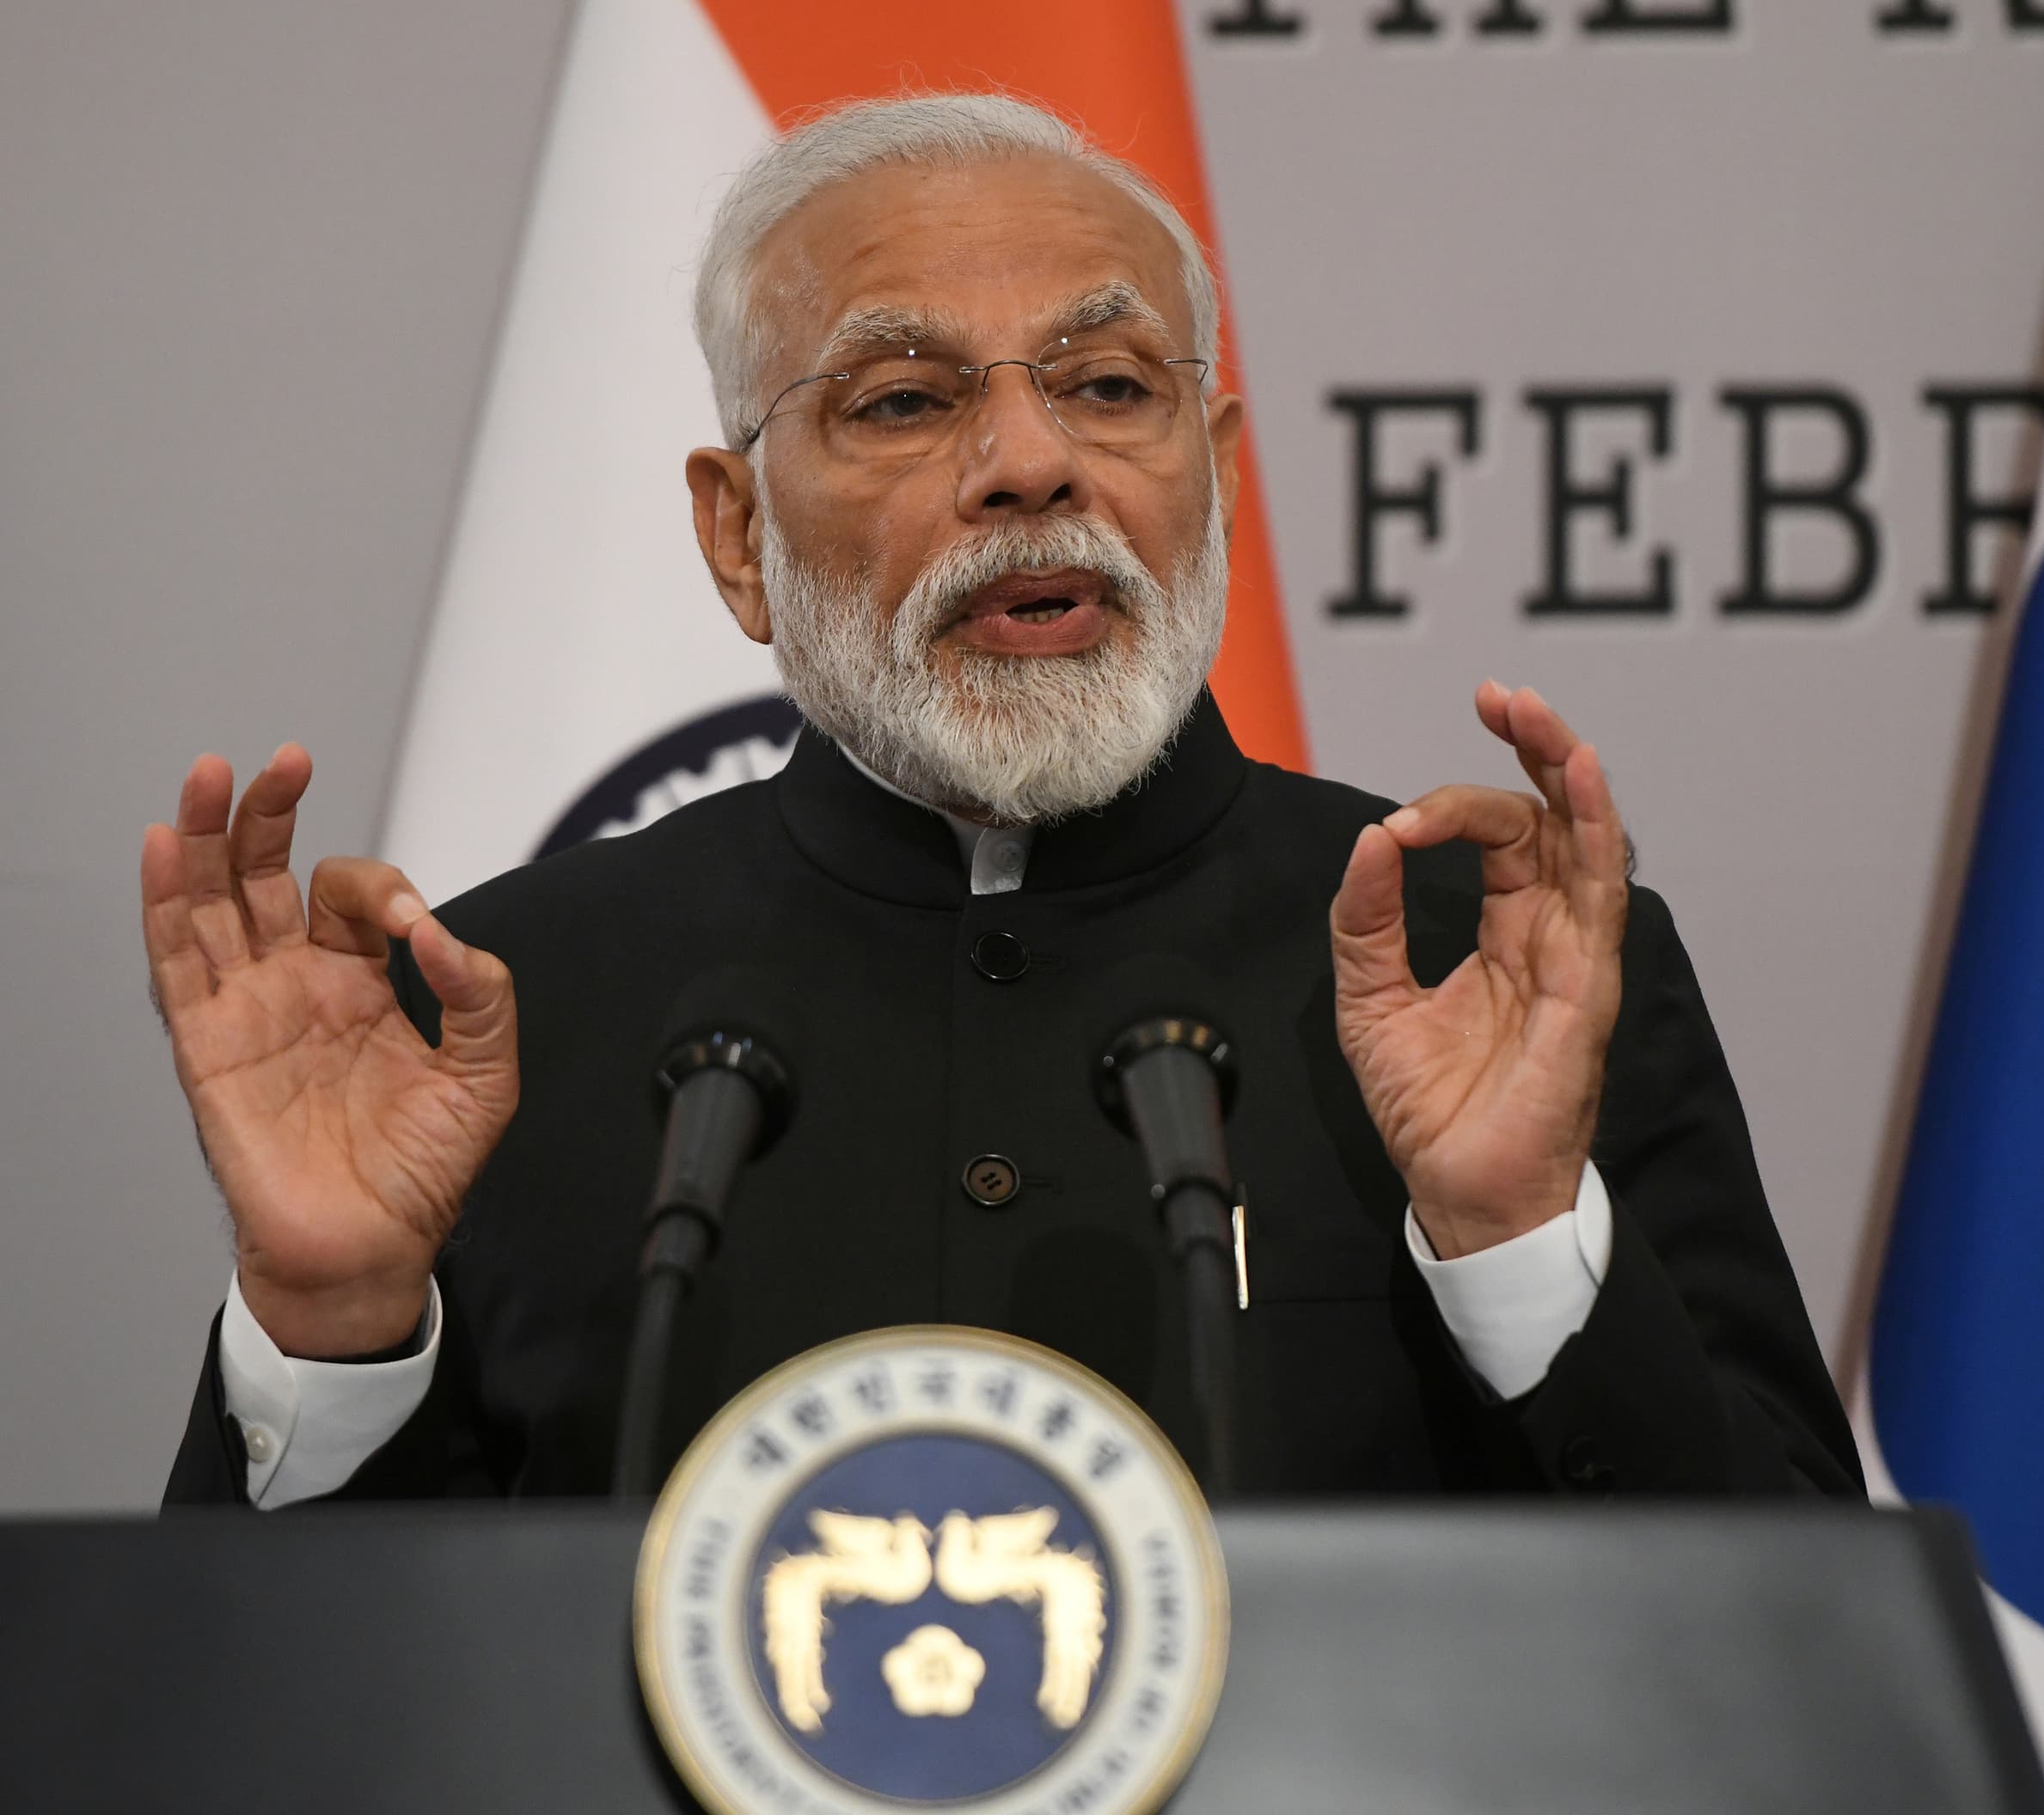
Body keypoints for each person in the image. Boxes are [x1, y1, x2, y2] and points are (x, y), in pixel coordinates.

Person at [148, 93, 1857, 1507]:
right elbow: (257, 1741)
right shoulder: (491, 1014)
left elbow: (1807, 1664)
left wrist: (1515, 1242)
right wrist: (334, 1322)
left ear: (1221, 475)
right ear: (737, 533)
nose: (1034, 462)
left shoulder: (1483, 964)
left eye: (1112, 386)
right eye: (905, 399)